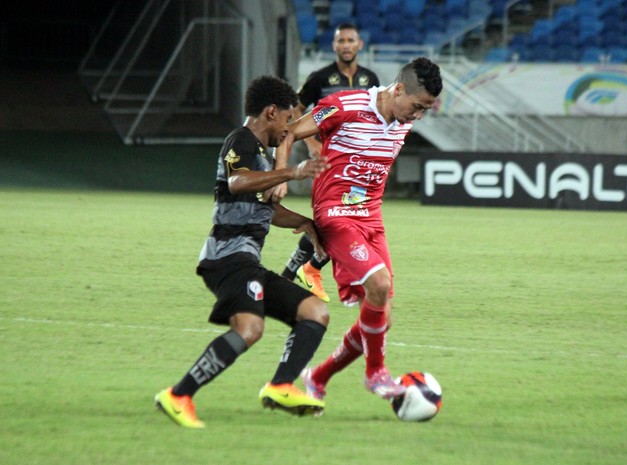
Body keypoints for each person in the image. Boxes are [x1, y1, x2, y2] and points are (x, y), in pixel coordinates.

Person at [154, 75, 331, 428]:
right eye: (288, 117)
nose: (290, 127)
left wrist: (306, 223)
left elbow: (265, 207)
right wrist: (292, 173)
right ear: (271, 112)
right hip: (227, 258)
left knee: (314, 312)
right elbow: (238, 183)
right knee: (250, 328)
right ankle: (178, 395)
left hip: (246, 261)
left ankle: (281, 385)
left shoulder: (262, 155)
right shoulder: (242, 141)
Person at [275, 57, 443, 401]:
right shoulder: (344, 106)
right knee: (379, 285)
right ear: (398, 90)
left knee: (383, 318)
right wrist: (282, 174)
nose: (418, 116)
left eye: (425, 109)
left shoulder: (402, 118)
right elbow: (290, 130)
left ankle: (317, 378)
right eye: (417, 106)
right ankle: (375, 373)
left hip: (371, 217)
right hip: (335, 212)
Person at [279, 22, 380, 304]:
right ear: (334, 46)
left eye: (351, 40)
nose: (346, 45)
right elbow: (296, 109)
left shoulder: (370, 79)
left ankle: (295, 272)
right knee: (336, 219)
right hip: (329, 162)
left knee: (339, 222)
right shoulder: (319, 78)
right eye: (341, 41)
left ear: (359, 45)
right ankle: (305, 271)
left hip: (358, 164)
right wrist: (311, 143)